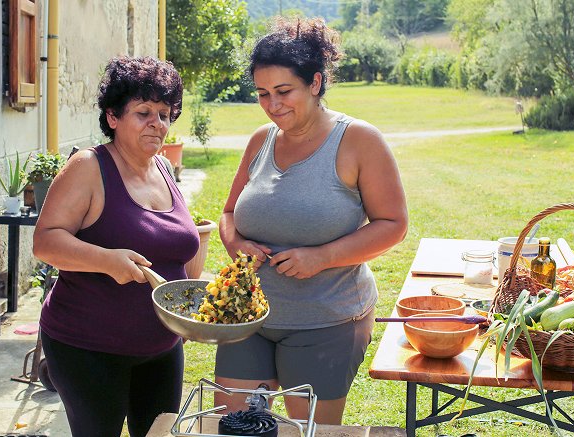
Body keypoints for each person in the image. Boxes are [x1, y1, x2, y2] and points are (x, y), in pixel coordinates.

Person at [215, 17, 408, 425]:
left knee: (310, 433)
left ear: (316, 83)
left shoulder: (358, 140)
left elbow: (393, 223)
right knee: (236, 428)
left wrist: (322, 257)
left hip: (325, 321)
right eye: (263, 94)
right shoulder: (259, 141)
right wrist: (236, 245)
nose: (273, 105)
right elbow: (229, 213)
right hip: (247, 317)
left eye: (284, 91)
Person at [33, 56, 199, 437]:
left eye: (164, 113)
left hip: (162, 347)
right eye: (143, 113)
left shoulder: (162, 168)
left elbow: (175, 247)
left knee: (158, 434)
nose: (158, 123)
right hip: (88, 348)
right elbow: (45, 241)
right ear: (112, 117)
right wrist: (106, 260)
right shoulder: (89, 167)